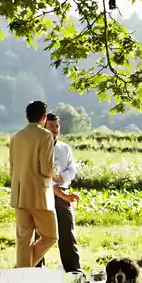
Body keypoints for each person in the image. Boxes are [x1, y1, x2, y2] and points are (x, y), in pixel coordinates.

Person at [8, 100, 58, 269]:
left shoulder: (16, 137)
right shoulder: (45, 136)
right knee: (50, 236)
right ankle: (21, 272)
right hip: (39, 196)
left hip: (19, 194)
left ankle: (21, 275)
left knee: (23, 241)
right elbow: (46, 169)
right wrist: (56, 172)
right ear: (44, 117)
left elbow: (12, 167)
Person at [44, 112, 81, 273]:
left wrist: (62, 178)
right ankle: (37, 272)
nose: (54, 129)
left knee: (68, 234)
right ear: (43, 127)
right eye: (51, 126)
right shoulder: (38, 148)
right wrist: (53, 181)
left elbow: (72, 169)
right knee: (41, 235)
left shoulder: (65, 148)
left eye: (57, 126)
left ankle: (74, 272)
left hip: (62, 192)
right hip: (43, 194)